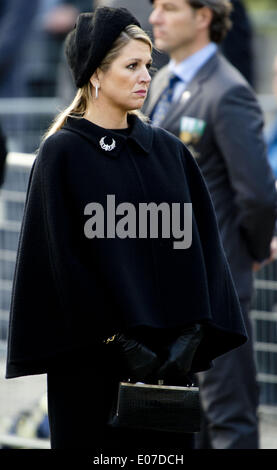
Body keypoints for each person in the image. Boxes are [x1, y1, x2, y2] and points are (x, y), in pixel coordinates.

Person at [6, 6, 247, 451]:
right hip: (90, 372)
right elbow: (63, 268)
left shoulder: (170, 153)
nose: (145, 77)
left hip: (169, 371)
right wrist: (119, 340)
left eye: (147, 66)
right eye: (131, 65)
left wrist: (192, 334)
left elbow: (203, 253)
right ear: (96, 74)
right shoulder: (62, 155)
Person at [145, 0, 277, 449]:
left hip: (216, 289)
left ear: (203, 17)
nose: (156, 18)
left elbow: (257, 194)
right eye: (155, 7)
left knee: (228, 419)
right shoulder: (163, 81)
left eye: (169, 8)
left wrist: (253, 253)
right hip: (173, 288)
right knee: (186, 422)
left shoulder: (227, 90)